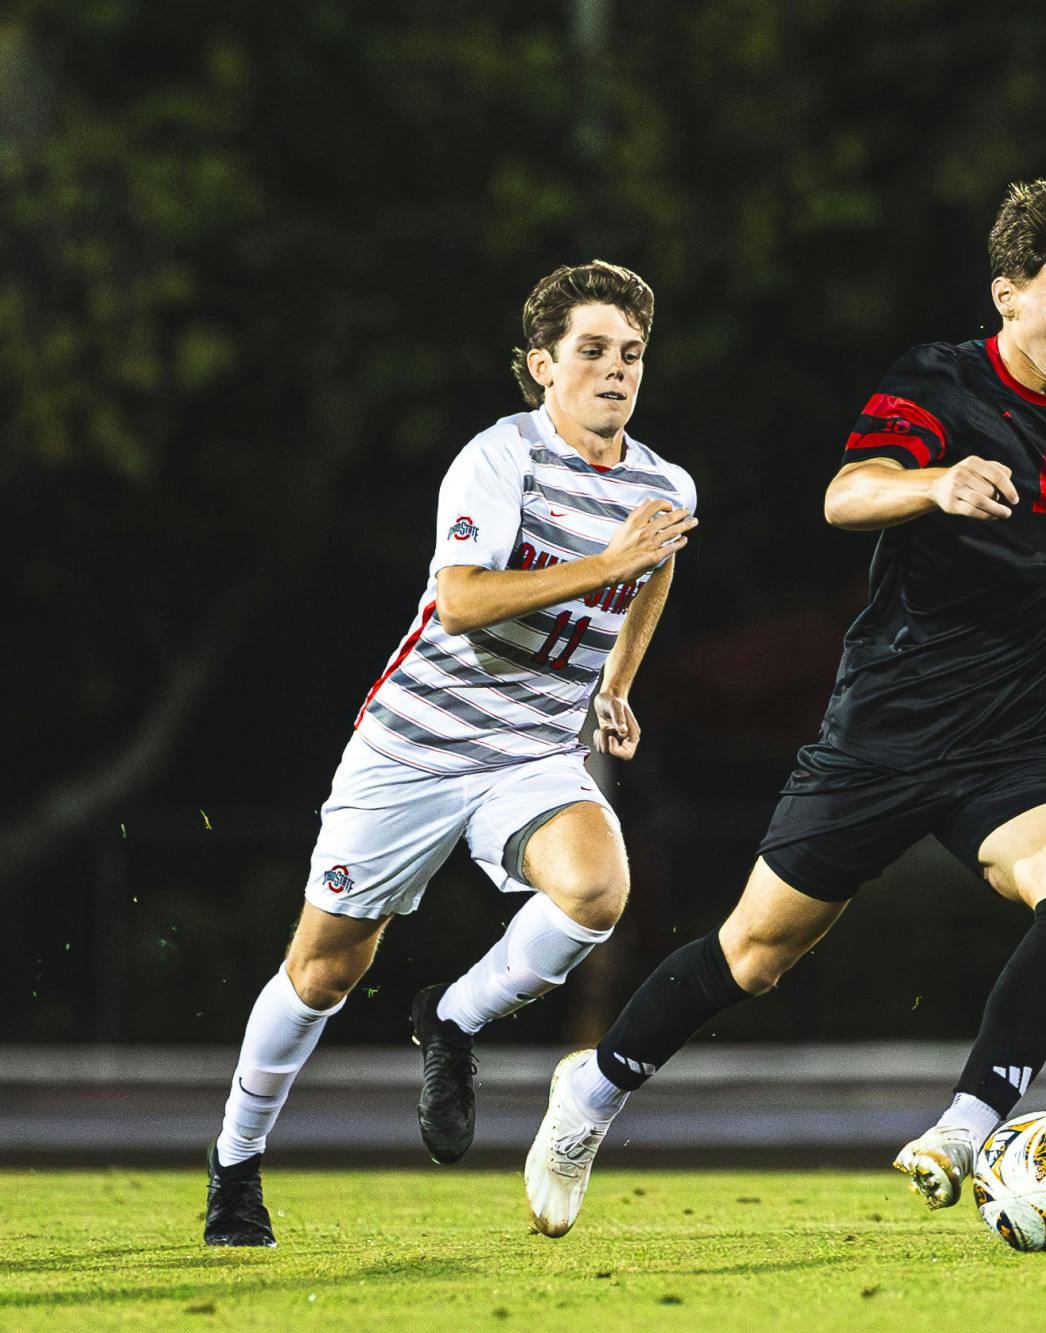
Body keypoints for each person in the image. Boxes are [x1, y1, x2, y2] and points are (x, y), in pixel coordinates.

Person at [520, 177, 1046, 1238]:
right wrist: (932, 484)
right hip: (881, 735)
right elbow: (846, 492)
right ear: (1005, 293)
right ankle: (589, 1093)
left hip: (1009, 745)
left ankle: (966, 1127)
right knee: (755, 954)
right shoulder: (940, 380)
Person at [203, 261, 699, 1246]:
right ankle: (235, 1163)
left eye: (630, 354)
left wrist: (615, 686)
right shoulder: (496, 459)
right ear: (541, 365)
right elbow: (465, 601)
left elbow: (655, 573)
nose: (614, 370)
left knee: (599, 890)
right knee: (323, 971)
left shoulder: (663, 484)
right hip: (416, 746)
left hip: (528, 751)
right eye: (591, 351)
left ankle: (453, 1019)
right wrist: (606, 562)